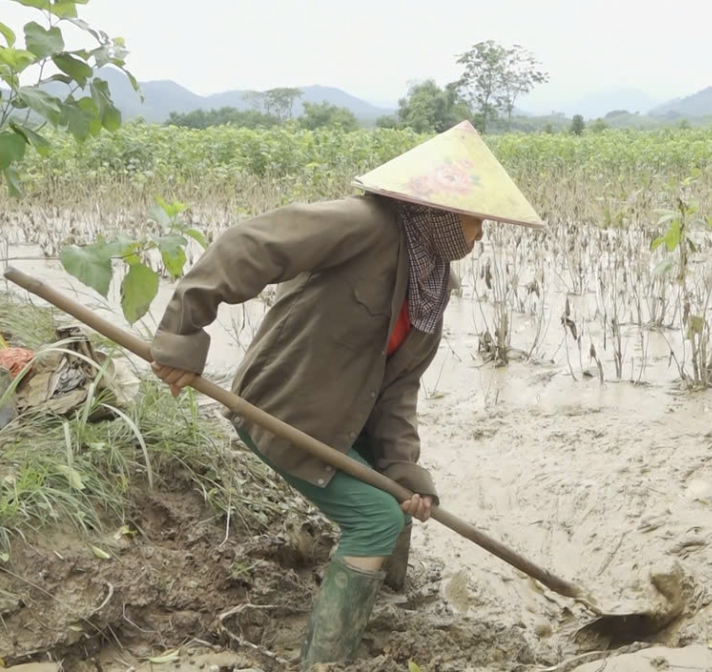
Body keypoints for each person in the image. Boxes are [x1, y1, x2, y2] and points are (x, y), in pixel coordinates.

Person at [147, 120, 545, 669]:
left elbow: (401, 387)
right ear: (440, 212)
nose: (479, 235)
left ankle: (382, 603)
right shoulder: (363, 224)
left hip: (346, 420)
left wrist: (403, 468)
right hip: (285, 408)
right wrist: (180, 335)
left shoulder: (434, 281)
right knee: (376, 519)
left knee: (399, 504)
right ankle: (325, 658)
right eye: (475, 219)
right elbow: (249, 245)